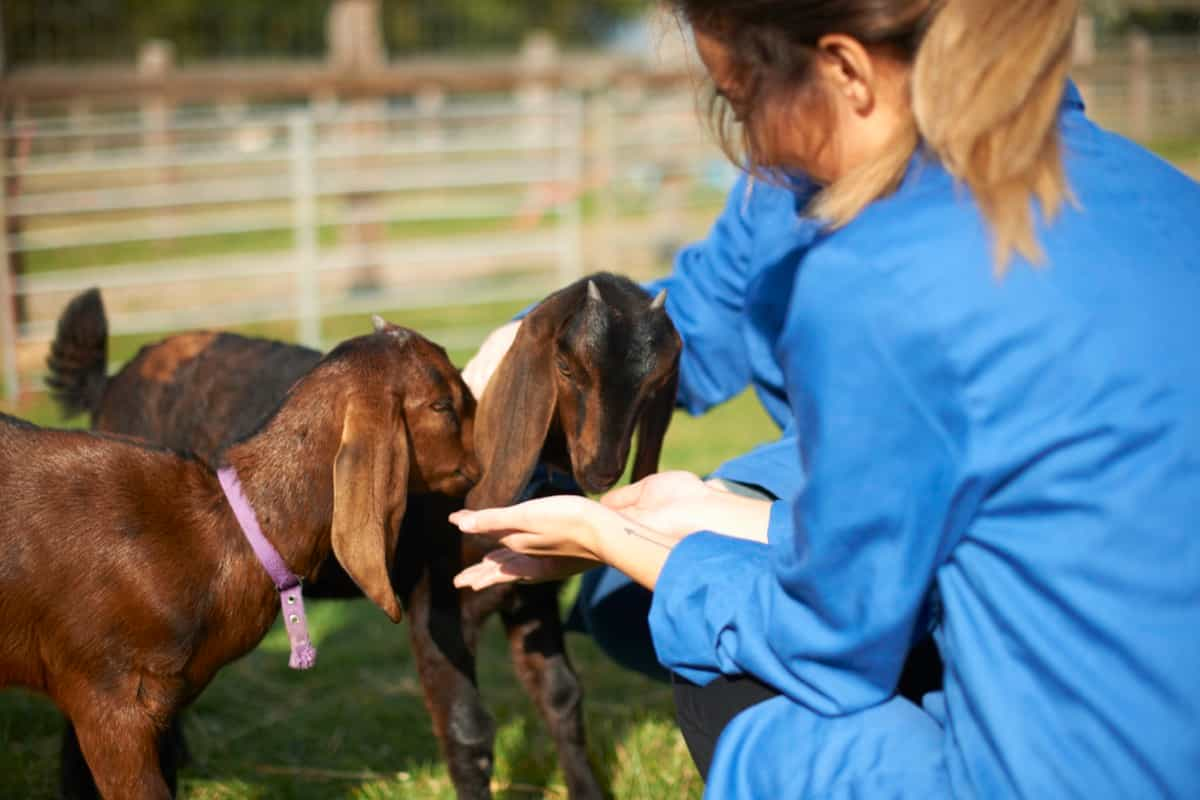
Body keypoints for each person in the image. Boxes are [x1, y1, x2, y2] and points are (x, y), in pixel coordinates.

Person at [455, 0, 1200, 797]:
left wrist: (613, 539)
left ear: (845, 70)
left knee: (744, 701)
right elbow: (695, 323)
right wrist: (535, 347)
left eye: (739, 103)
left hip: (1084, 773)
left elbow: (826, 641)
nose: (746, 146)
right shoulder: (1160, 192)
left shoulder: (883, 276)